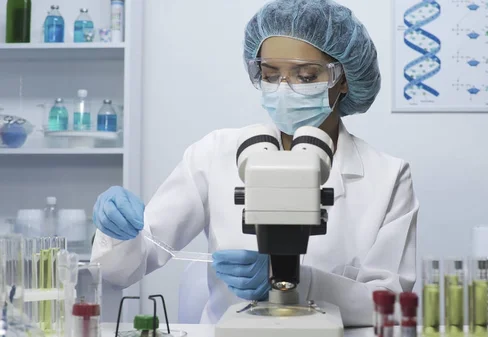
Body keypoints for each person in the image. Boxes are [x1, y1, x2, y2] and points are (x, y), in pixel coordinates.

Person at [91, 0, 418, 326]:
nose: (285, 89)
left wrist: (297, 281)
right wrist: (117, 232)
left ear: (343, 79)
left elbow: (390, 303)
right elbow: (123, 269)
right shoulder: (216, 152)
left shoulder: (387, 177)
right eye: (270, 75)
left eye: (305, 76)